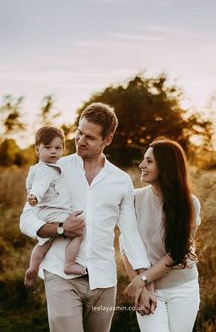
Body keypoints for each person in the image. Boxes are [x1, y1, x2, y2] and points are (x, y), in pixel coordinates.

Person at [20, 102, 151, 332]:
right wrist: (61, 228)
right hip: (60, 274)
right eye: (79, 132)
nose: (80, 140)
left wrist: (144, 281)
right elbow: (27, 220)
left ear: (107, 140)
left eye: (89, 137)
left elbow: (130, 235)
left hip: (104, 281)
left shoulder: (121, 181)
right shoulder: (53, 168)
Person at [121, 138, 201, 332]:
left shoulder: (189, 203)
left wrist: (142, 280)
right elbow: (126, 245)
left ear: (166, 167)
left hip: (182, 288)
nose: (142, 165)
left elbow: (177, 253)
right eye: (143, 159)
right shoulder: (133, 199)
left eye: (149, 161)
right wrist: (140, 285)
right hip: (148, 288)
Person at [24, 126, 86, 288]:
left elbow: (33, 184)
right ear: (37, 150)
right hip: (55, 212)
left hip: (44, 213)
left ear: (63, 149)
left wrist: (33, 195)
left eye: (58, 148)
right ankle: (69, 263)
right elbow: (39, 185)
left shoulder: (40, 168)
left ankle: (33, 267)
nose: (53, 152)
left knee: (44, 244)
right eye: (48, 147)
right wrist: (34, 196)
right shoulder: (47, 169)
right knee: (78, 233)